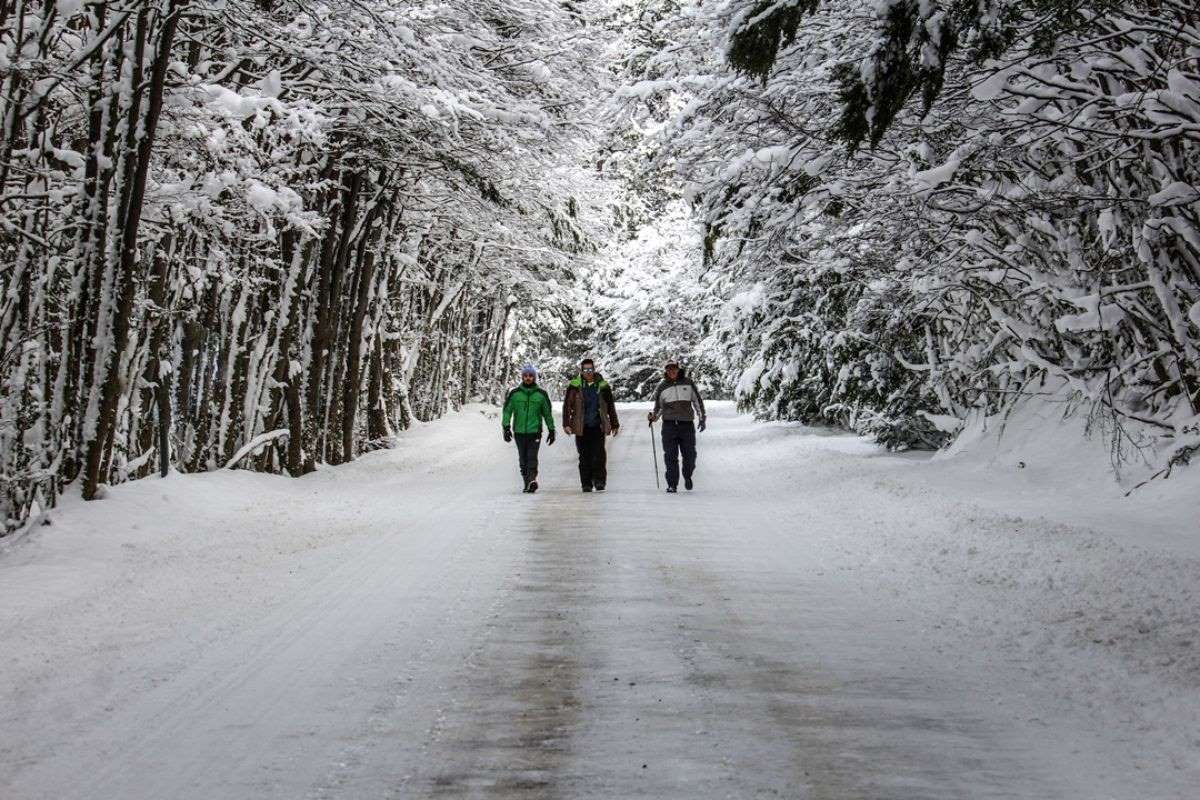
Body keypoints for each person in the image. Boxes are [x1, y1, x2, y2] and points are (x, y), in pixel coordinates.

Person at [647, 358, 706, 493]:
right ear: (666, 371)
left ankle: (687, 475)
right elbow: (659, 407)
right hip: (669, 426)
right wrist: (653, 417)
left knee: (690, 455)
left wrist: (702, 418)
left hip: (686, 425)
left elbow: (697, 401)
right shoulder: (662, 387)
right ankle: (672, 484)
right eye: (669, 369)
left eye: (674, 368)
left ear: (678, 369)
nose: (671, 371)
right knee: (670, 456)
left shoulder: (688, 383)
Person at [562, 357, 619, 492]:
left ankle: (599, 481)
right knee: (584, 456)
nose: (588, 372)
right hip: (581, 426)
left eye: (590, 369)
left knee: (599, 454)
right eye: (585, 369)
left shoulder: (603, 385)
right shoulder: (575, 386)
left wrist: (614, 423)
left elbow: (610, 406)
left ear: (594, 370)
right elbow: (567, 406)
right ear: (581, 371)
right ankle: (586, 483)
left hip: (597, 425)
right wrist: (566, 423)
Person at [502, 363, 555, 493]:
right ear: (522, 377)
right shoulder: (515, 394)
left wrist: (551, 430)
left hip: (534, 432)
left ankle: (532, 480)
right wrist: (506, 427)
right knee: (523, 459)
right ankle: (527, 483)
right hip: (519, 432)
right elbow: (507, 411)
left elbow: (547, 413)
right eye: (525, 375)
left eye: (531, 375)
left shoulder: (541, 395)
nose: (528, 378)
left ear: (534, 377)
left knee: (532, 457)